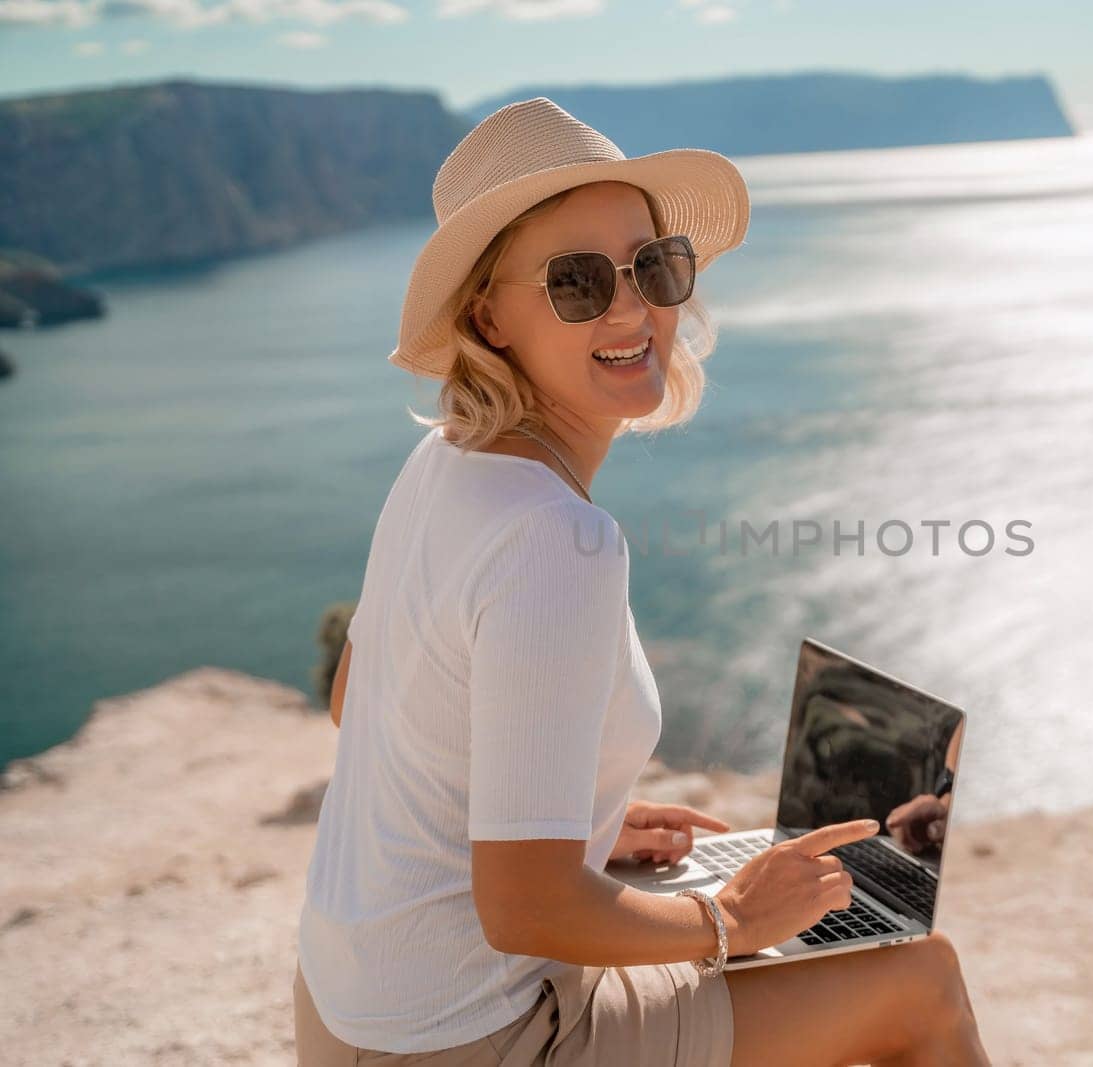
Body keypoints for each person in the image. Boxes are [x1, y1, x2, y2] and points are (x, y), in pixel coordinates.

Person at [292, 98, 992, 1067]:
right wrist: (726, 918)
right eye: (576, 282)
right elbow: (523, 908)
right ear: (488, 314)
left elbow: (352, 699)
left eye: (653, 265)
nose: (632, 309)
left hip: (348, 1015)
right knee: (920, 981)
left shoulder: (443, 464)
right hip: (477, 1040)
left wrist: (574, 816)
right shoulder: (553, 538)